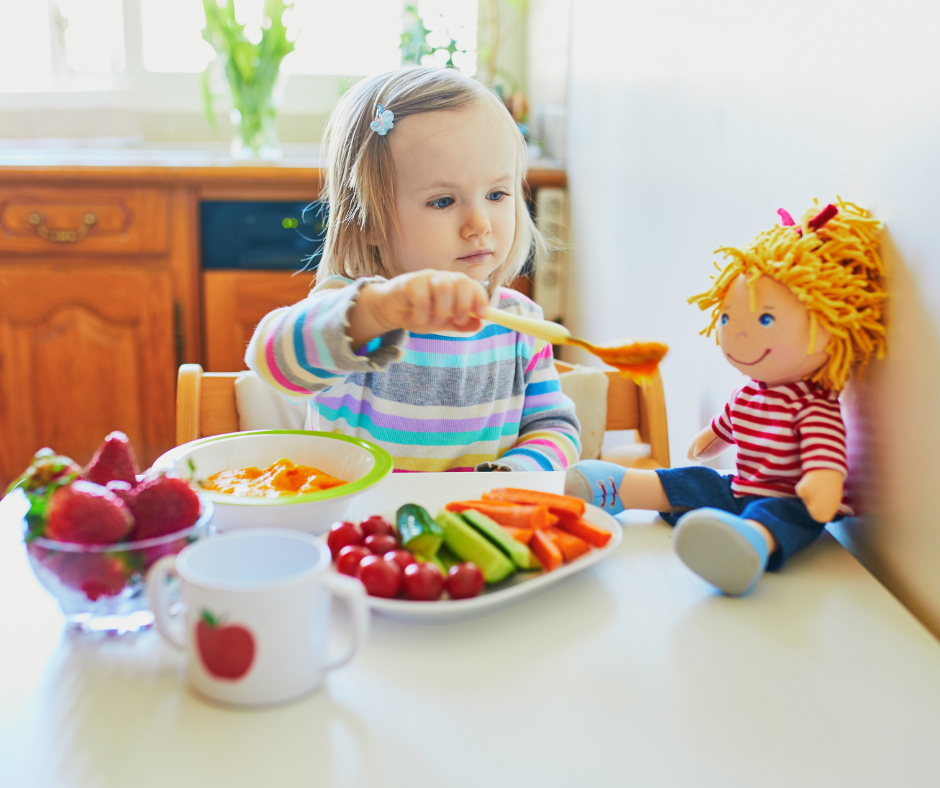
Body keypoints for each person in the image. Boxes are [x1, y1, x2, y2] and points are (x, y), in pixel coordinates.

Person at [246, 67, 581, 472]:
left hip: (479, 527)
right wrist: (378, 311)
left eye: (496, 194)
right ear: (368, 221)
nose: (480, 224)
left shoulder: (520, 325)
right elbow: (272, 361)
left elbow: (555, 428)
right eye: (443, 201)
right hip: (361, 532)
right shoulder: (354, 319)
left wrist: (512, 475)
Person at [566, 200, 886, 595]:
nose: (737, 334)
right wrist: (709, 439)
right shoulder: (749, 392)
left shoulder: (813, 406)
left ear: (830, 324)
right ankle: (621, 487)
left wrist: (823, 484)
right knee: (697, 479)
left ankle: (747, 544)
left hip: (788, 498)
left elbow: (824, 459)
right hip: (738, 487)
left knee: (779, 515)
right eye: (727, 318)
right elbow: (729, 424)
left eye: (765, 319)